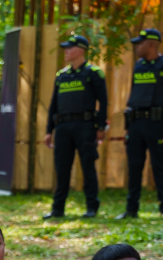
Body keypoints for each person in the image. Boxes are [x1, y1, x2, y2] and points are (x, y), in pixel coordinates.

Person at [42, 34, 108, 221]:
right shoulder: (61, 76)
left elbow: (103, 102)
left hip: (85, 126)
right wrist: (49, 130)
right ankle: (58, 208)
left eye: (69, 48)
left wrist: (101, 126)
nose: (66, 51)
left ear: (80, 50)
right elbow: (53, 105)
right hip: (63, 127)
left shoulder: (94, 73)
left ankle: (91, 207)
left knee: (88, 166)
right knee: (62, 168)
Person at [118, 28, 163, 220]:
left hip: (158, 123)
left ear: (152, 44)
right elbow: (134, 95)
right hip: (136, 123)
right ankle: (131, 208)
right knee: (134, 165)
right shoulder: (138, 66)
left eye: (141, 43)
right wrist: (128, 128)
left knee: (159, 164)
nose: (137, 46)